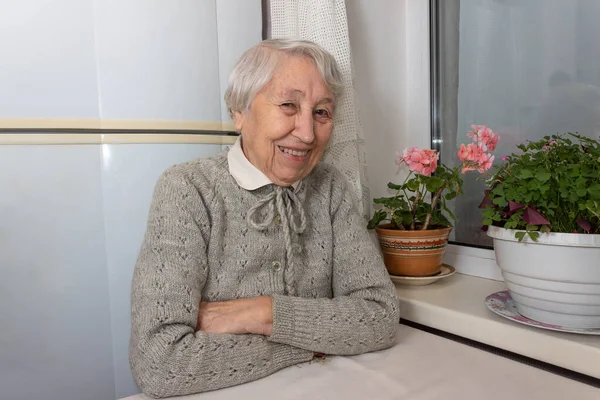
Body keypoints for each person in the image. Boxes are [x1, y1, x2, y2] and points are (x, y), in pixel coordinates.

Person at [129, 39, 399, 398]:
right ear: (240, 111)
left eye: (322, 112)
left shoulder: (330, 188)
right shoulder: (188, 188)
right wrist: (317, 341)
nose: (307, 133)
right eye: (289, 105)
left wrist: (261, 314)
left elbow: (379, 317)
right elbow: (159, 364)